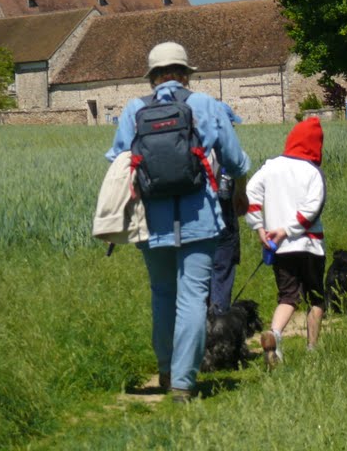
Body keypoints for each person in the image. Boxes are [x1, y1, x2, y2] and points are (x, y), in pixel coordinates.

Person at [106, 42, 250, 402]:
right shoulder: (206, 105)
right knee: (192, 297)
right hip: (199, 216)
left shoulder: (134, 109)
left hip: (150, 220)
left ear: (153, 76)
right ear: (186, 73)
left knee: (162, 294)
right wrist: (240, 190)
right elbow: (234, 160)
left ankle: (167, 371)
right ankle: (185, 384)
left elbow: (118, 159)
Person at [244, 116, 327, 366]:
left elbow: (251, 194)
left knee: (288, 297)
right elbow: (313, 207)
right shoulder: (313, 172)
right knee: (316, 298)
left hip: (279, 248)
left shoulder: (270, 166)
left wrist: (260, 228)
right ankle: (312, 348)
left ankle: (275, 334)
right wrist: (288, 229)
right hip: (310, 245)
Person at [209, 102, 246, 315]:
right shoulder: (230, 152)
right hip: (224, 220)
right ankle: (220, 331)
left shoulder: (193, 145)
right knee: (222, 274)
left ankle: (200, 337)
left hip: (195, 224)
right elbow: (239, 199)